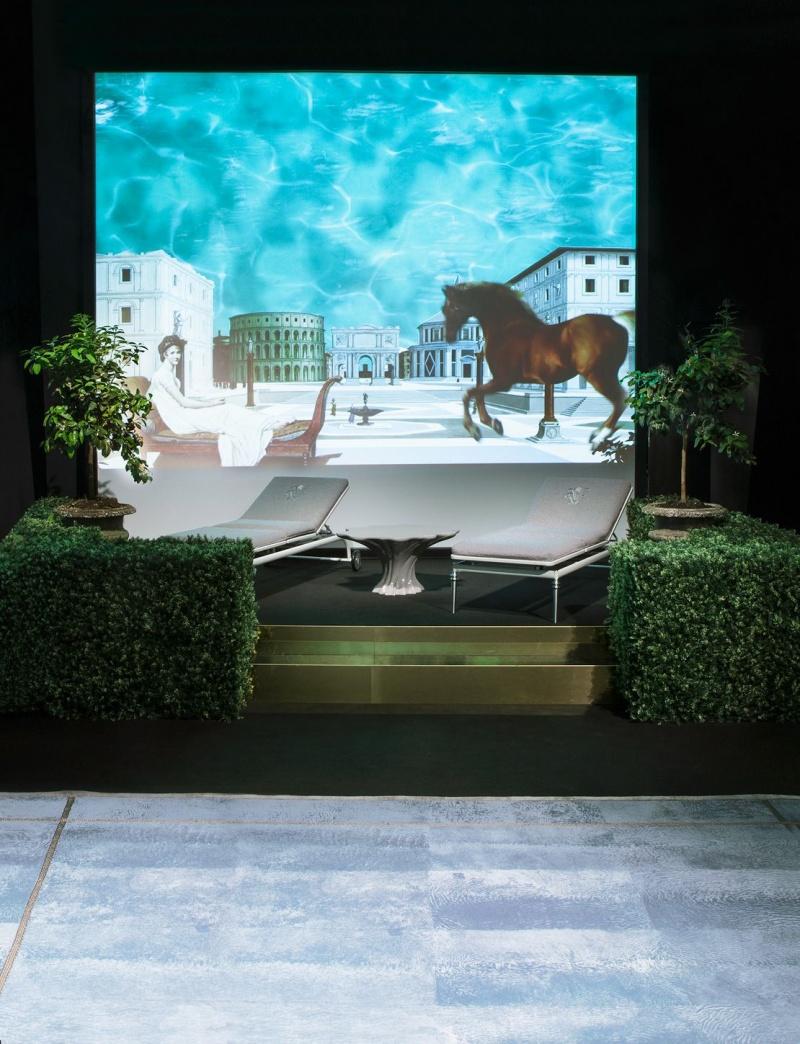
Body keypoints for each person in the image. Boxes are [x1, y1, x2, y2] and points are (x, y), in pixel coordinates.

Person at [149, 336, 275, 466]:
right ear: (165, 354)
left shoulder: (167, 373)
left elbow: (155, 395)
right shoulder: (163, 375)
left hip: (182, 414)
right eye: (172, 353)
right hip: (181, 420)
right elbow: (183, 402)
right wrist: (212, 403)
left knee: (227, 411)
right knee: (227, 410)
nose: (177, 356)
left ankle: (264, 423)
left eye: (178, 352)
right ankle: (265, 423)